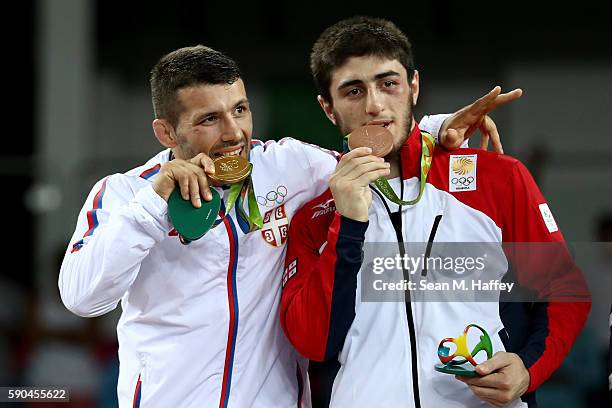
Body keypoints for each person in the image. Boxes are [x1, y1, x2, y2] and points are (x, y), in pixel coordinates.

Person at [59, 44, 516, 407]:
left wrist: (434, 130)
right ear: (165, 133)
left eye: (239, 109)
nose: (234, 132)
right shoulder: (122, 194)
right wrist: (153, 206)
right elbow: (82, 297)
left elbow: (374, 158)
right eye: (209, 120)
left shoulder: (286, 166)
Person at [280, 16, 591, 408]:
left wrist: (528, 369)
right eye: (353, 91)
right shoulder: (315, 217)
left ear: (413, 86)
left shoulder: (495, 178)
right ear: (328, 107)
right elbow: (314, 342)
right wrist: (348, 224)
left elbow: (564, 289)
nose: (375, 105)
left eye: (388, 83)